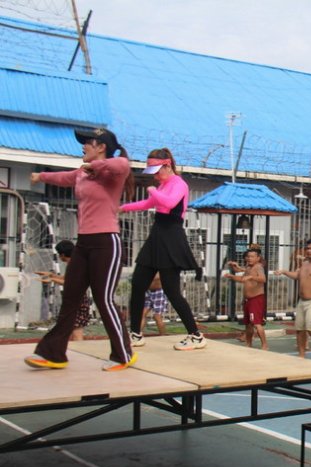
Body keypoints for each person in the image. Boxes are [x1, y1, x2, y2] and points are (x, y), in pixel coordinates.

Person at [26, 128, 136, 372]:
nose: (83, 146)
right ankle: (53, 353)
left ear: (101, 147)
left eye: (88, 142)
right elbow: (63, 178)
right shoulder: (82, 174)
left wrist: (96, 167)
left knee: (103, 299)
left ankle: (123, 354)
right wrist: (39, 177)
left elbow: (121, 165)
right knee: (71, 297)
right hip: (84, 243)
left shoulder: (112, 171)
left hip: (107, 242)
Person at [121, 148, 205, 352]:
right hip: (157, 236)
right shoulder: (164, 185)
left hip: (172, 238)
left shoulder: (179, 184)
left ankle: (196, 335)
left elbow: (167, 202)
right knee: (138, 284)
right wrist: (120, 208)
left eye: (158, 171)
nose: (156, 176)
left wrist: (153, 191)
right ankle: (135, 334)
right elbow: (147, 204)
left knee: (172, 291)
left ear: (167, 166)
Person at [35, 240, 91, 342]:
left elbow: (70, 283)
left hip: (78, 301)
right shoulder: (75, 263)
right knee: (74, 331)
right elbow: (66, 279)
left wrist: (51, 279)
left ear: (63, 255)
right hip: (77, 300)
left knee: (77, 332)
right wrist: (50, 275)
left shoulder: (75, 265)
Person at [224, 248, 268, 350]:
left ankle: (264, 345)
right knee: (248, 324)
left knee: (257, 324)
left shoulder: (258, 267)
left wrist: (251, 277)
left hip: (256, 299)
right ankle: (248, 344)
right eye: (248, 256)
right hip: (248, 300)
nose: (249, 258)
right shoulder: (248, 267)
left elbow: (263, 279)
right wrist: (231, 276)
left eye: (252, 256)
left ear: (258, 258)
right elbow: (242, 279)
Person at [140, 272, 168, 337]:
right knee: (142, 314)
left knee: (157, 316)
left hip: (159, 292)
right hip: (147, 291)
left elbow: (157, 277)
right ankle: (138, 335)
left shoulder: (158, 265)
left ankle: (163, 335)